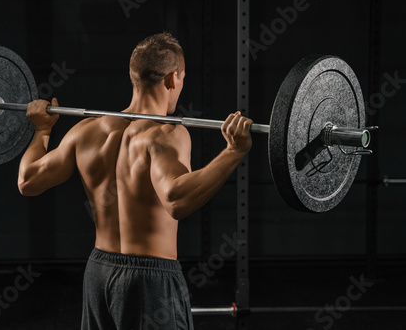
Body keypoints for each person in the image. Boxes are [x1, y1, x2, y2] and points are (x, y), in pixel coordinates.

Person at [18, 32, 252, 330]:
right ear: (172, 79)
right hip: (149, 279)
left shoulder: (86, 131)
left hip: (99, 271)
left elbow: (27, 180)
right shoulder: (167, 133)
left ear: (134, 77)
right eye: (181, 80)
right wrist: (233, 152)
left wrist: (41, 131)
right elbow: (176, 200)